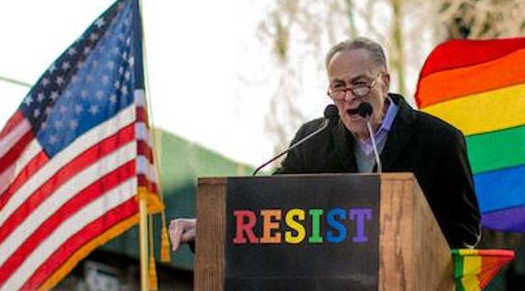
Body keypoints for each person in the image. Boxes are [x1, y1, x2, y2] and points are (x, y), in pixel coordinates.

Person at [169, 36, 481, 250]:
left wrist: (403, 242)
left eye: (360, 84)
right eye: (338, 87)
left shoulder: (439, 140)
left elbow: (465, 231)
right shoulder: (312, 140)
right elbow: (269, 209)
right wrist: (211, 225)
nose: (349, 97)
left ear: (384, 82)